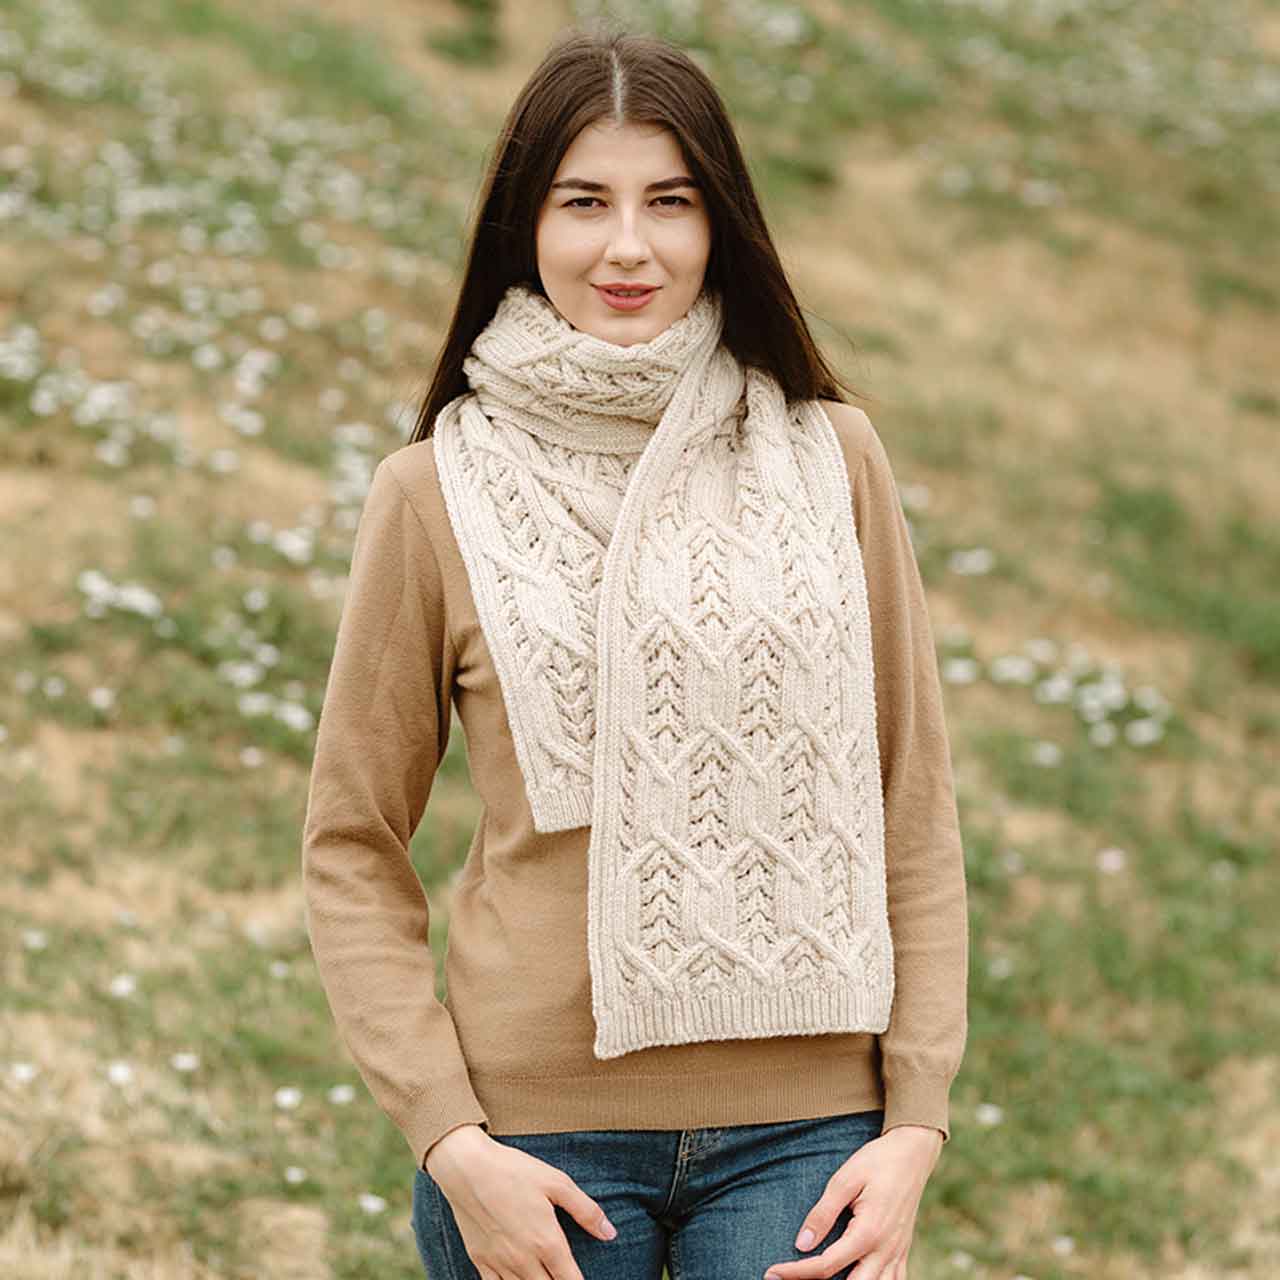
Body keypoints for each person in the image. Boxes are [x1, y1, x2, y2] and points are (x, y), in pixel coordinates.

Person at [301, 21, 968, 1280]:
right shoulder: (430, 492)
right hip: (536, 1141)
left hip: (810, 1134)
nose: (626, 245)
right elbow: (350, 839)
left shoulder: (834, 459)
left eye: (668, 200)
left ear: (720, 222)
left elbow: (909, 800)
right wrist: (449, 1135)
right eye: (582, 201)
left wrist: (916, 1115)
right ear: (523, 224)